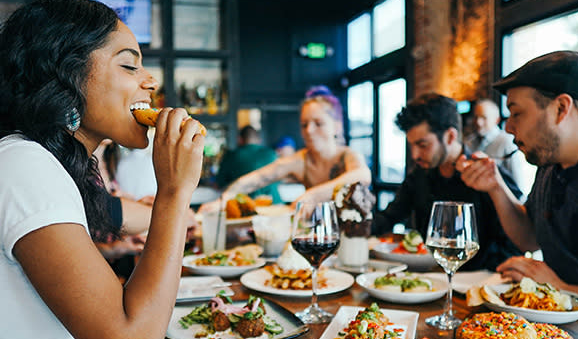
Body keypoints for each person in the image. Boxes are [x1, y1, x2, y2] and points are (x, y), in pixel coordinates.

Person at [0, 0, 205, 339]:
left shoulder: (55, 167)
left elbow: (59, 334)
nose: (150, 81)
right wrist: (174, 191)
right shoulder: (24, 166)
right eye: (129, 66)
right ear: (66, 74)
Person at [457, 50, 578, 292]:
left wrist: (559, 287)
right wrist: (495, 185)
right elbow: (529, 238)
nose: (509, 128)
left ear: (561, 108)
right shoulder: (548, 167)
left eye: (517, 113)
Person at [373, 93, 522, 271]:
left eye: (423, 145)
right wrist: (355, 223)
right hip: (430, 279)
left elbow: (516, 242)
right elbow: (389, 217)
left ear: (450, 136)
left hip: (478, 284)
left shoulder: (487, 175)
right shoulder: (419, 176)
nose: (414, 155)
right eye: (411, 145)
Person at [200, 85, 371, 211]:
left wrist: (312, 195)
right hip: (319, 237)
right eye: (304, 124)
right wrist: (223, 200)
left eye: (318, 123)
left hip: (355, 239)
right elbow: (257, 178)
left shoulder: (348, 155)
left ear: (337, 126)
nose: (309, 131)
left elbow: (362, 175)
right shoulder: (301, 160)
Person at [465, 98, 535, 196]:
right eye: (476, 117)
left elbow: (517, 183)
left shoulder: (507, 142)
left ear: (496, 120)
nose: (478, 122)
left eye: (484, 118)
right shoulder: (469, 142)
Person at [216, 124, 282, 203]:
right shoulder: (272, 153)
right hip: (276, 205)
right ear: (259, 139)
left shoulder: (231, 156)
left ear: (240, 139)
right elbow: (280, 180)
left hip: (246, 207)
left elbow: (219, 184)